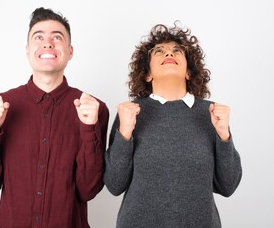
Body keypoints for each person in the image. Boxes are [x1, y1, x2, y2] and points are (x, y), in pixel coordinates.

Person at [0, 7, 109, 228]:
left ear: (70, 51)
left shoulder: (94, 109)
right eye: (38, 37)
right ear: (27, 50)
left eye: (57, 37)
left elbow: (88, 190)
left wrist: (88, 129)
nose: (47, 43)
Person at [104, 23, 242, 228]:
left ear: (189, 72)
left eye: (177, 51)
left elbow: (228, 186)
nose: (169, 53)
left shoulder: (212, 114)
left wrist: (224, 137)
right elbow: (115, 185)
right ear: (147, 74)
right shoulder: (129, 113)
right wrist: (125, 135)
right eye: (158, 51)